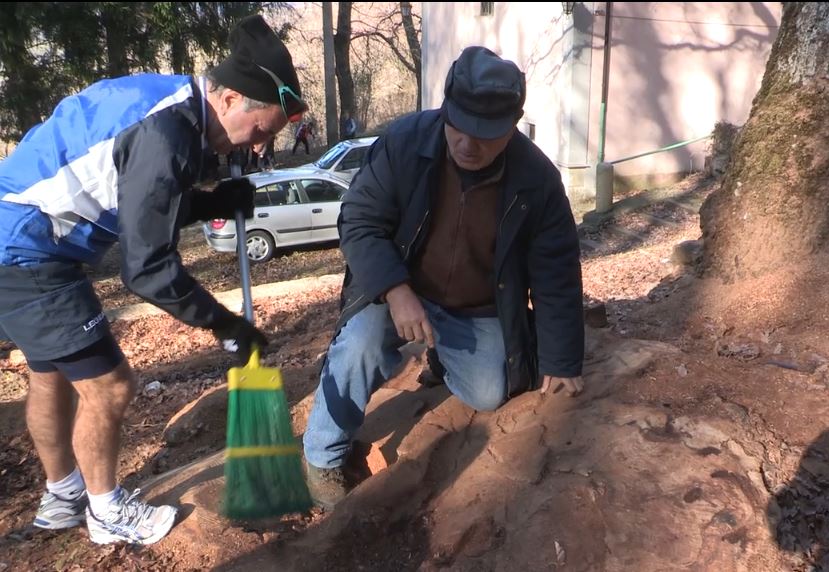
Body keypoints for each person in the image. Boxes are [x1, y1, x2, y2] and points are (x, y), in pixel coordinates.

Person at [0, 14, 306, 545]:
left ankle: (63, 495)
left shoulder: (169, 107)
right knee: (110, 384)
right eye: (260, 132)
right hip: (27, 247)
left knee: (50, 375)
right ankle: (105, 511)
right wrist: (224, 324)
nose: (256, 148)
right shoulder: (169, 134)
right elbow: (146, 267)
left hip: (19, 232)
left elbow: (146, 203)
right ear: (230, 99)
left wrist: (209, 201)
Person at [302, 46, 585, 509]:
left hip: (475, 309)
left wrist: (562, 359)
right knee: (360, 345)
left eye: (487, 135)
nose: (468, 144)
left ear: (512, 126)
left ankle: (441, 360)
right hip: (396, 291)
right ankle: (322, 457)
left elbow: (555, 272)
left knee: (491, 391)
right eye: (460, 126)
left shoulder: (537, 180)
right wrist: (396, 290)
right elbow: (358, 221)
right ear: (446, 108)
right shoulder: (403, 143)